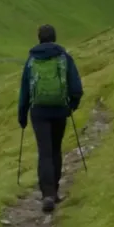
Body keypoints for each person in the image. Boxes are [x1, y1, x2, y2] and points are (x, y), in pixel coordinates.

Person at [17, 24, 83, 213]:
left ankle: (46, 195)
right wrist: (71, 106)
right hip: (59, 110)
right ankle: (54, 193)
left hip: (38, 111)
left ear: (39, 38)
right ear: (54, 37)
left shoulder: (32, 60)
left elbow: (25, 91)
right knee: (55, 149)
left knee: (44, 152)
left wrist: (22, 116)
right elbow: (76, 87)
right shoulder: (64, 58)